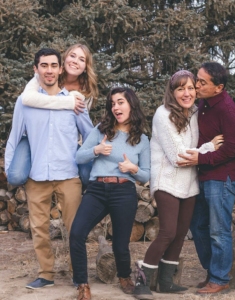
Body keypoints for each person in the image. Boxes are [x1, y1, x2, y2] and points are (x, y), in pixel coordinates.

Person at [4, 48, 93, 290]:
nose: (49, 70)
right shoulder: (25, 102)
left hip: (68, 174)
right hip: (37, 175)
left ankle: (78, 274)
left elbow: (90, 134)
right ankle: (46, 274)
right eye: (44, 65)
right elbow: (15, 136)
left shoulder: (75, 101)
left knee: (75, 228)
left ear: (60, 68)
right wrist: (11, 168)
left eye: (54, 65)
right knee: (39, 229)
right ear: (36, 69)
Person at [133, 70, 223, 299]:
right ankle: (141, 281)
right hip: (166, 180)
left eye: (191, 88)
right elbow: (177, 156)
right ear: (172, 92)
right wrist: (209, 148)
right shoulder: (162, 114)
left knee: (181, 232)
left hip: (189, 182)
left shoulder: (195, 112)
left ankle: (165, 281)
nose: (186, 93)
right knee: (168, 231)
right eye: (180, 88)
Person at [69, 87, 150, 300]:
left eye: (120, 102)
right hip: (97, 189)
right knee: (77, 233)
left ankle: (124, 277)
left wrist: (133, 168)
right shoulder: (101, 130)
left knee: (121, 243)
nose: (116, 107)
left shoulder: (142, 139)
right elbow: (79, 157)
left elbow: (146, 175)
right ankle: (82, 284)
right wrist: (97, 150)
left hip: (124, 190)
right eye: (113, 103)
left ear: (131, 104)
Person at [177, 62, 235, 295]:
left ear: (219, 87)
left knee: (218, 229)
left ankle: (220, 278)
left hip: (222, 177)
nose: (196, 84)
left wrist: (200, 159)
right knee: (198, 225)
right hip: (204, 175)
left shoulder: (227, 108)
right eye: (198, 78)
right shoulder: (203, 104)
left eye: (203, 82)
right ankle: (212, 270)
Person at [7, 43, 98, 189]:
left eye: (81, 59)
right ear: (64, 60)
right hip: (36, 135)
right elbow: (27, 99)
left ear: (86, 66)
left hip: (67, 138)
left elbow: (83, 124)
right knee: (16, 175)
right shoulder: (46, 76)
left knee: (88, 175)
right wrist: (68, 102)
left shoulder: (86, 92)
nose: (75, 61)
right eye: (72, 56)